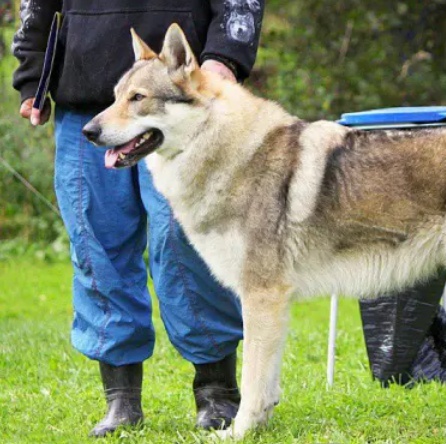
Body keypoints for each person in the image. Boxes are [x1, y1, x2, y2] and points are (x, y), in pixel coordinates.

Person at [12, 0, 264, 437]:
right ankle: (122, 401)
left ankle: (217, 391)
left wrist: (224, 57)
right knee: (96, 248)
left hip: (178, 107)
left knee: (183, 245)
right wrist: (32, 74)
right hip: (84, 104)